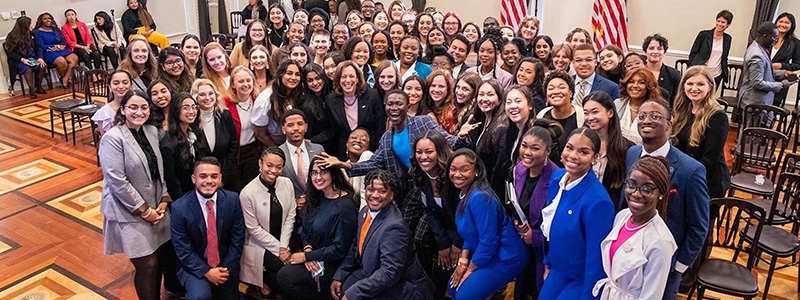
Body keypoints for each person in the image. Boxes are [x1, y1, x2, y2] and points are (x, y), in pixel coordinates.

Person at [621, 98, 710, 300]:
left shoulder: (690, 170)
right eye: (642, 116)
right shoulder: (632, 153)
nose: (646, 120)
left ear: (669, 123)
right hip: (628, 254)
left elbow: (699, 225)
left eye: (655, 116)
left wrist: (678, 267)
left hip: (664, 263)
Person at [99, 90, 175, 300]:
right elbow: (117, 181)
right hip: (130, 210)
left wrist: (164, 200)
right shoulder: (112, 138)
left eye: (144, 107)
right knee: (147, 264)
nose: (139, 112)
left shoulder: (151, 131)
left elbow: (161, 171)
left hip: (157, 207)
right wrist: (144, 211)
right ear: (122, 110)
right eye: (133, 107)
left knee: (159, 257)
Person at [318, 89, 471, 191]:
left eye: (399, 103)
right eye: (390, 104)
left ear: (408, 105)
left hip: (437, 185)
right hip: (408, 190)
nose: (394, 108)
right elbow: (373, 164)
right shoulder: (386, 138)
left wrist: (461, 136)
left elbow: (448, 142)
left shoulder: (423, 122)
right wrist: (342, 164)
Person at [330, 170, 435, 300]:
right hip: (371, 273)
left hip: (404, 287)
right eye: (371, 189)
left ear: (391, 195)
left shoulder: (394, 227)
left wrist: (354, 293)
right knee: (342, 289)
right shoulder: (364, 212)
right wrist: (340, 275)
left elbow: (389, 273)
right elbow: (356, 245)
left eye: (382, 191)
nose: (375, 195)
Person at [538, 127, 615, 300]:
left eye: (583, 152)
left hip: (580, 278)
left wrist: (589, 296)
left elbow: (596, 262)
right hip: (558, 268)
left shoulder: (599, 202)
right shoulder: (557, 178)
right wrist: (547, 263)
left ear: (595, 158)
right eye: (569, 148)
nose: (573, 155)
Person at [446, 148, 529, 300]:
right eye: (453, 169)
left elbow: (489, 241)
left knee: (463, 296)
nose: (457, 174)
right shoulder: (465, 192)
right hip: (488, 251)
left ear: (476, 171)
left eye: (464, 170)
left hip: (506, 255)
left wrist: (469, 271)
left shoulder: (480, 198)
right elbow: (470, 233)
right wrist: (462, 262)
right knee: (452, 288)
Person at [592, 156, 677, 299]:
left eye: (646, 188)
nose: (636, 194)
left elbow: (651, 296)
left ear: (661, 193)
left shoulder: (661, 242)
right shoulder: (622, 216)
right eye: (631, 185)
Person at [276, 160, 359, 299]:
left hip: (332, 264)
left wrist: (306, 256)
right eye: (314, 173)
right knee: (279, 274)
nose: (318, 177)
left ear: (333, 173)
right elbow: (306, 229)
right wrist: (308, 249)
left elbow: (340, 249)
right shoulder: (316, 197)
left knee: (285, 277)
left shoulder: (345, 206)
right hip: (314, 256)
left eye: (323, 172)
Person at [171, 156, 245, 300]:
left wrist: (225, 268)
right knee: (200, 296)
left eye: (214, 176)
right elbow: (182, 248)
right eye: (203, 176)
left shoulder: (233, 200)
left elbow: (238, 238)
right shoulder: (179, 207)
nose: (209, 181)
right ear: (194, 178)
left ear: (220, 178)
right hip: (193, 265)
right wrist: (207, 272)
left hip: (225, 264)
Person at [512, 120, 562, 299]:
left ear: (548, 152)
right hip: (523, 246)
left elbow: (560, 224)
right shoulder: (519, 169)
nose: (527, 152)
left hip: (545, 253)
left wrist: (537, 236)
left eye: (535, 148)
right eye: (524, 146)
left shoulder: (558, 180)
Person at [239, 147, 297, 298]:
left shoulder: (287, 183)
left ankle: (267, 281)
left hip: (284, 240)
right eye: (269, 165)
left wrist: (283, 246)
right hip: (260, 244)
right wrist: (279, 250)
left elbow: (290, 216)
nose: (274, 171)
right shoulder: (247, 193)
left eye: (279, 167)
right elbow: (253, 229)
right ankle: (262, 282)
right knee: (284, 271)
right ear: (260, 164)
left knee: (290, 272)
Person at [672, 66, 730, 198]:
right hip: (685, 175)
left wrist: (684, 177)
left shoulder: (718, 116)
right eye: (690, 84)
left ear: (709, 87)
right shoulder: (682, 110)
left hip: (707, 182)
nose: (694, 88)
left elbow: (710, 160)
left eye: (700, 84)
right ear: (683, 86)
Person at [325, 61, 385, 159]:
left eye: (351, 76)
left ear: (357, 78)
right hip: (343, 154)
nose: (348, 80)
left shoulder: (372, 95)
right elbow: (333, 131)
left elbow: (379, 126)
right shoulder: (331, 100)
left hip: (370, 152)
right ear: (338, 79)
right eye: (343, 77)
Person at [583, 92, 633, 207]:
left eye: (595, 112)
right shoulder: (580, 145)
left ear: (610, 113)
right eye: (586, 113)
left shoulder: (627, 149)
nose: (590, 118)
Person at [160, 92, 212, 199]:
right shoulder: (168, 144)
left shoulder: (196, 132)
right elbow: (172, 181)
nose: (192, 111)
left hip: (201, 191)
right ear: (176, 110)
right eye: (186, 108)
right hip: (184, 197)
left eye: (194, 107)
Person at [739, 21, 798, 108]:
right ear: (765, 36)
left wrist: (783, 73)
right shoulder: (756, 55)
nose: (775, 41)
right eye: (774, 38)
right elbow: (757, 83)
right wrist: (781, 84)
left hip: (760, 101)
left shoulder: (759, 48)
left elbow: (764, 71)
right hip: (755, 102)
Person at [191, 79, 238, 187]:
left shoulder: (225, 115)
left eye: (210, 93)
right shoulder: (191, 120)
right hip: (201, 180)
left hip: (226, 177)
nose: (207, 98)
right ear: (195, 98)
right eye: (202, 94)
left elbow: (233, 145)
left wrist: (222, 177)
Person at [253, 60, 306, 148]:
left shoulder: (300, 93)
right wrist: (279, 151)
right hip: (273, 146)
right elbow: (260, 134)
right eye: (289, 73)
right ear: (281, 75)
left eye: (297, 74)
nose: (293, 77)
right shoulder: (265, 98)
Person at [278, 110, 325, 201]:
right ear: (283, 129)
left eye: (300, 124)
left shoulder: (318, 149)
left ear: (306, 127)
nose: (296, 128)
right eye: (290, 125)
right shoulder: (278, 154)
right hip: (290, 205)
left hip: (318, 202)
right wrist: (294, 202)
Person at [537, 71, 585, 160]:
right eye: (551, 88)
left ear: (571, 93)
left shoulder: (582, 115)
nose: (556, 92)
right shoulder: (541, 115)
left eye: (561, 87)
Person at [615, 68, 661, 145]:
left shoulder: (658, 110)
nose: (635, 86)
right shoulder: (617, 104)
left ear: (649, 86)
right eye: (631, 82)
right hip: (617, 154)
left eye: (641, 83)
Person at [688, 10, 733, 89]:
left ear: (728, 25)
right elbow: (693, 53)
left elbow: (724, 57)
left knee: (709, 99)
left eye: (723, 22)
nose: (719, 24)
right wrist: (693, 68)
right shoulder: (703, 35)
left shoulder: (728, 38)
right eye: (718, 21)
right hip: (701, 73)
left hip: (716, 75)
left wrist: (723, 74)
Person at [4, 16, 46, 99]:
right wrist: (22, 59)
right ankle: (31, 89)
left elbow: (38, 47)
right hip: (19, 60)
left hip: (32, 57)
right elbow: (11, 53)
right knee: (28, 69)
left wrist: (40, 58)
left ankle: (38, 86)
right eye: (30, 24)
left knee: (42, 66)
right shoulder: (12, 36)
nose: (32, 26)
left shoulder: (33, 34)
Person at [34, 12, 79, 88]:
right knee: (61, 62)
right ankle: (65, 78)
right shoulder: (37, 32)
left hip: (60, 50)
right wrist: (52, 47)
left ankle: (65, 78)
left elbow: (63, 40)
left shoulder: (55, 29)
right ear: (41, 21)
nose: (48, 20)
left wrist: (62, 46)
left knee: (74, 58)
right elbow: (40, 45)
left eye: (49, 18)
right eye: (45, 19)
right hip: (48, 52)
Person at [770, 13, 800, 107]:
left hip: (780, 81)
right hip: (762, 77)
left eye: (787, 22)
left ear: (791, 25)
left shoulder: (795, 43)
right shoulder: (768, 38)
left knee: (772, 108)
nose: (783, 25)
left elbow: (797, 64)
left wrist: (781, 66)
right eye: (781, 21)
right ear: (776, 22)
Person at [642, 34, 681, 103]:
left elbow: (676, 100)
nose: (655, 52)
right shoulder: (638, 72)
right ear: (645, 51)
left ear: (664, 52)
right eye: (651, 48)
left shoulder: (674, 74)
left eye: (660, 49)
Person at [93, 70, 133, 135]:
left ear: (131, 86)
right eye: (116, 83)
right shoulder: (104, 113)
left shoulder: (139, 106)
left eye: (125, 83)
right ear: (110, 87)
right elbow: (105, 140)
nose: (121, 87)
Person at [344, 128, 374, 207]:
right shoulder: (342, 168)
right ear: (347, 144)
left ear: (368, 147)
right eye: (354, 137)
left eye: (363, 140)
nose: (358, 141)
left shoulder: (368, 159)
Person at [425, 69, 458, 134]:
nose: (436, 90)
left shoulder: (452, 114)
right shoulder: (424, 107)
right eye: (433, 85)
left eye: (441, 86)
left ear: (448, 89)